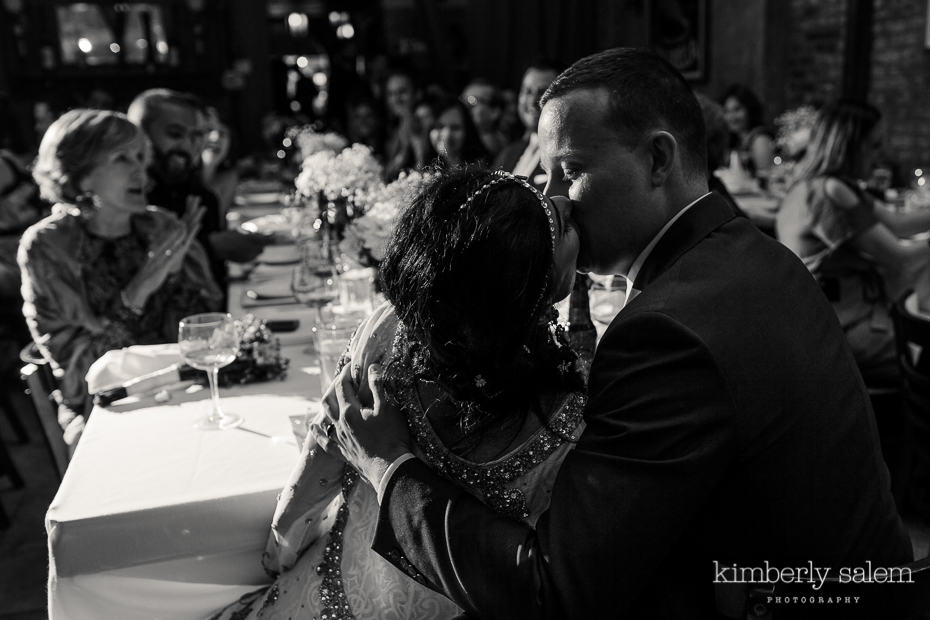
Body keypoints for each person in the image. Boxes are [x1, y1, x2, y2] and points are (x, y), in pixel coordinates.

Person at [318, 47, 912, 618]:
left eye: (571, 172)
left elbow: (556, 587)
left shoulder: (664, 332)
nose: (553, 203)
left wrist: (390, 467)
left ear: (658, 160)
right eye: (546, 174)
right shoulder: (751, 253)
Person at [209, 167, 584, 619]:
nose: (565, 203)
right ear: (538, 284)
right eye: (560, 228)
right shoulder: (570, 408)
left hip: (351, 585)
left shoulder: (389, 332)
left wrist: (282, 548)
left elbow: (321, 460)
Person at [18, 109, 222, 451]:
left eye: (142, 157)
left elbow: (206, 339)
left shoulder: (160, 226)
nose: (140, 170)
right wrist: (140, 289)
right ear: (80, 174)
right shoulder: (48, 248)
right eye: (121, 158)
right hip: (102, 413)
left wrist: (176, 281)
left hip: (181, 389)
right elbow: (83, 378)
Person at [777, 100, 930, 386]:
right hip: (842, 329)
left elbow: (900, 225)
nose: (879, 154)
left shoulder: (823, 185)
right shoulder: (831, 192)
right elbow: (902, 261)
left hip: (816, 320)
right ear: (848, 145)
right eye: (873, 145)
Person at [127, 89, 270, 287]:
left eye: (196, 135)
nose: (187, 145)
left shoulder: (199, 194)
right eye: (175, 134)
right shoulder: (129, 195)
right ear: (140, 134)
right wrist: (211, 246)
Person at [494, 60, 561, 191]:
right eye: (527, 91)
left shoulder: (563, 158)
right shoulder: (509, 153)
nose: (532, 100)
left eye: (543, 92)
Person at [720, 83, 776, 183]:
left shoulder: (760, 139)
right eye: (726, 111)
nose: (731, 117)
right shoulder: (735, 139)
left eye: (737, 109)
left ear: (750, 110)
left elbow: (767, 180)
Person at [423, 96, 490, 168]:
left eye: (455, 128)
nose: (447, 135)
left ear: (468, 131)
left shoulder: (484, 169)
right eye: (439, 126)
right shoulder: (426, 172)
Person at [460, 78, 507, 158]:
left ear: (494, 112)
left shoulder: (500, 150)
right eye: (462, 101)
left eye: (472, 101)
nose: (465, 107)